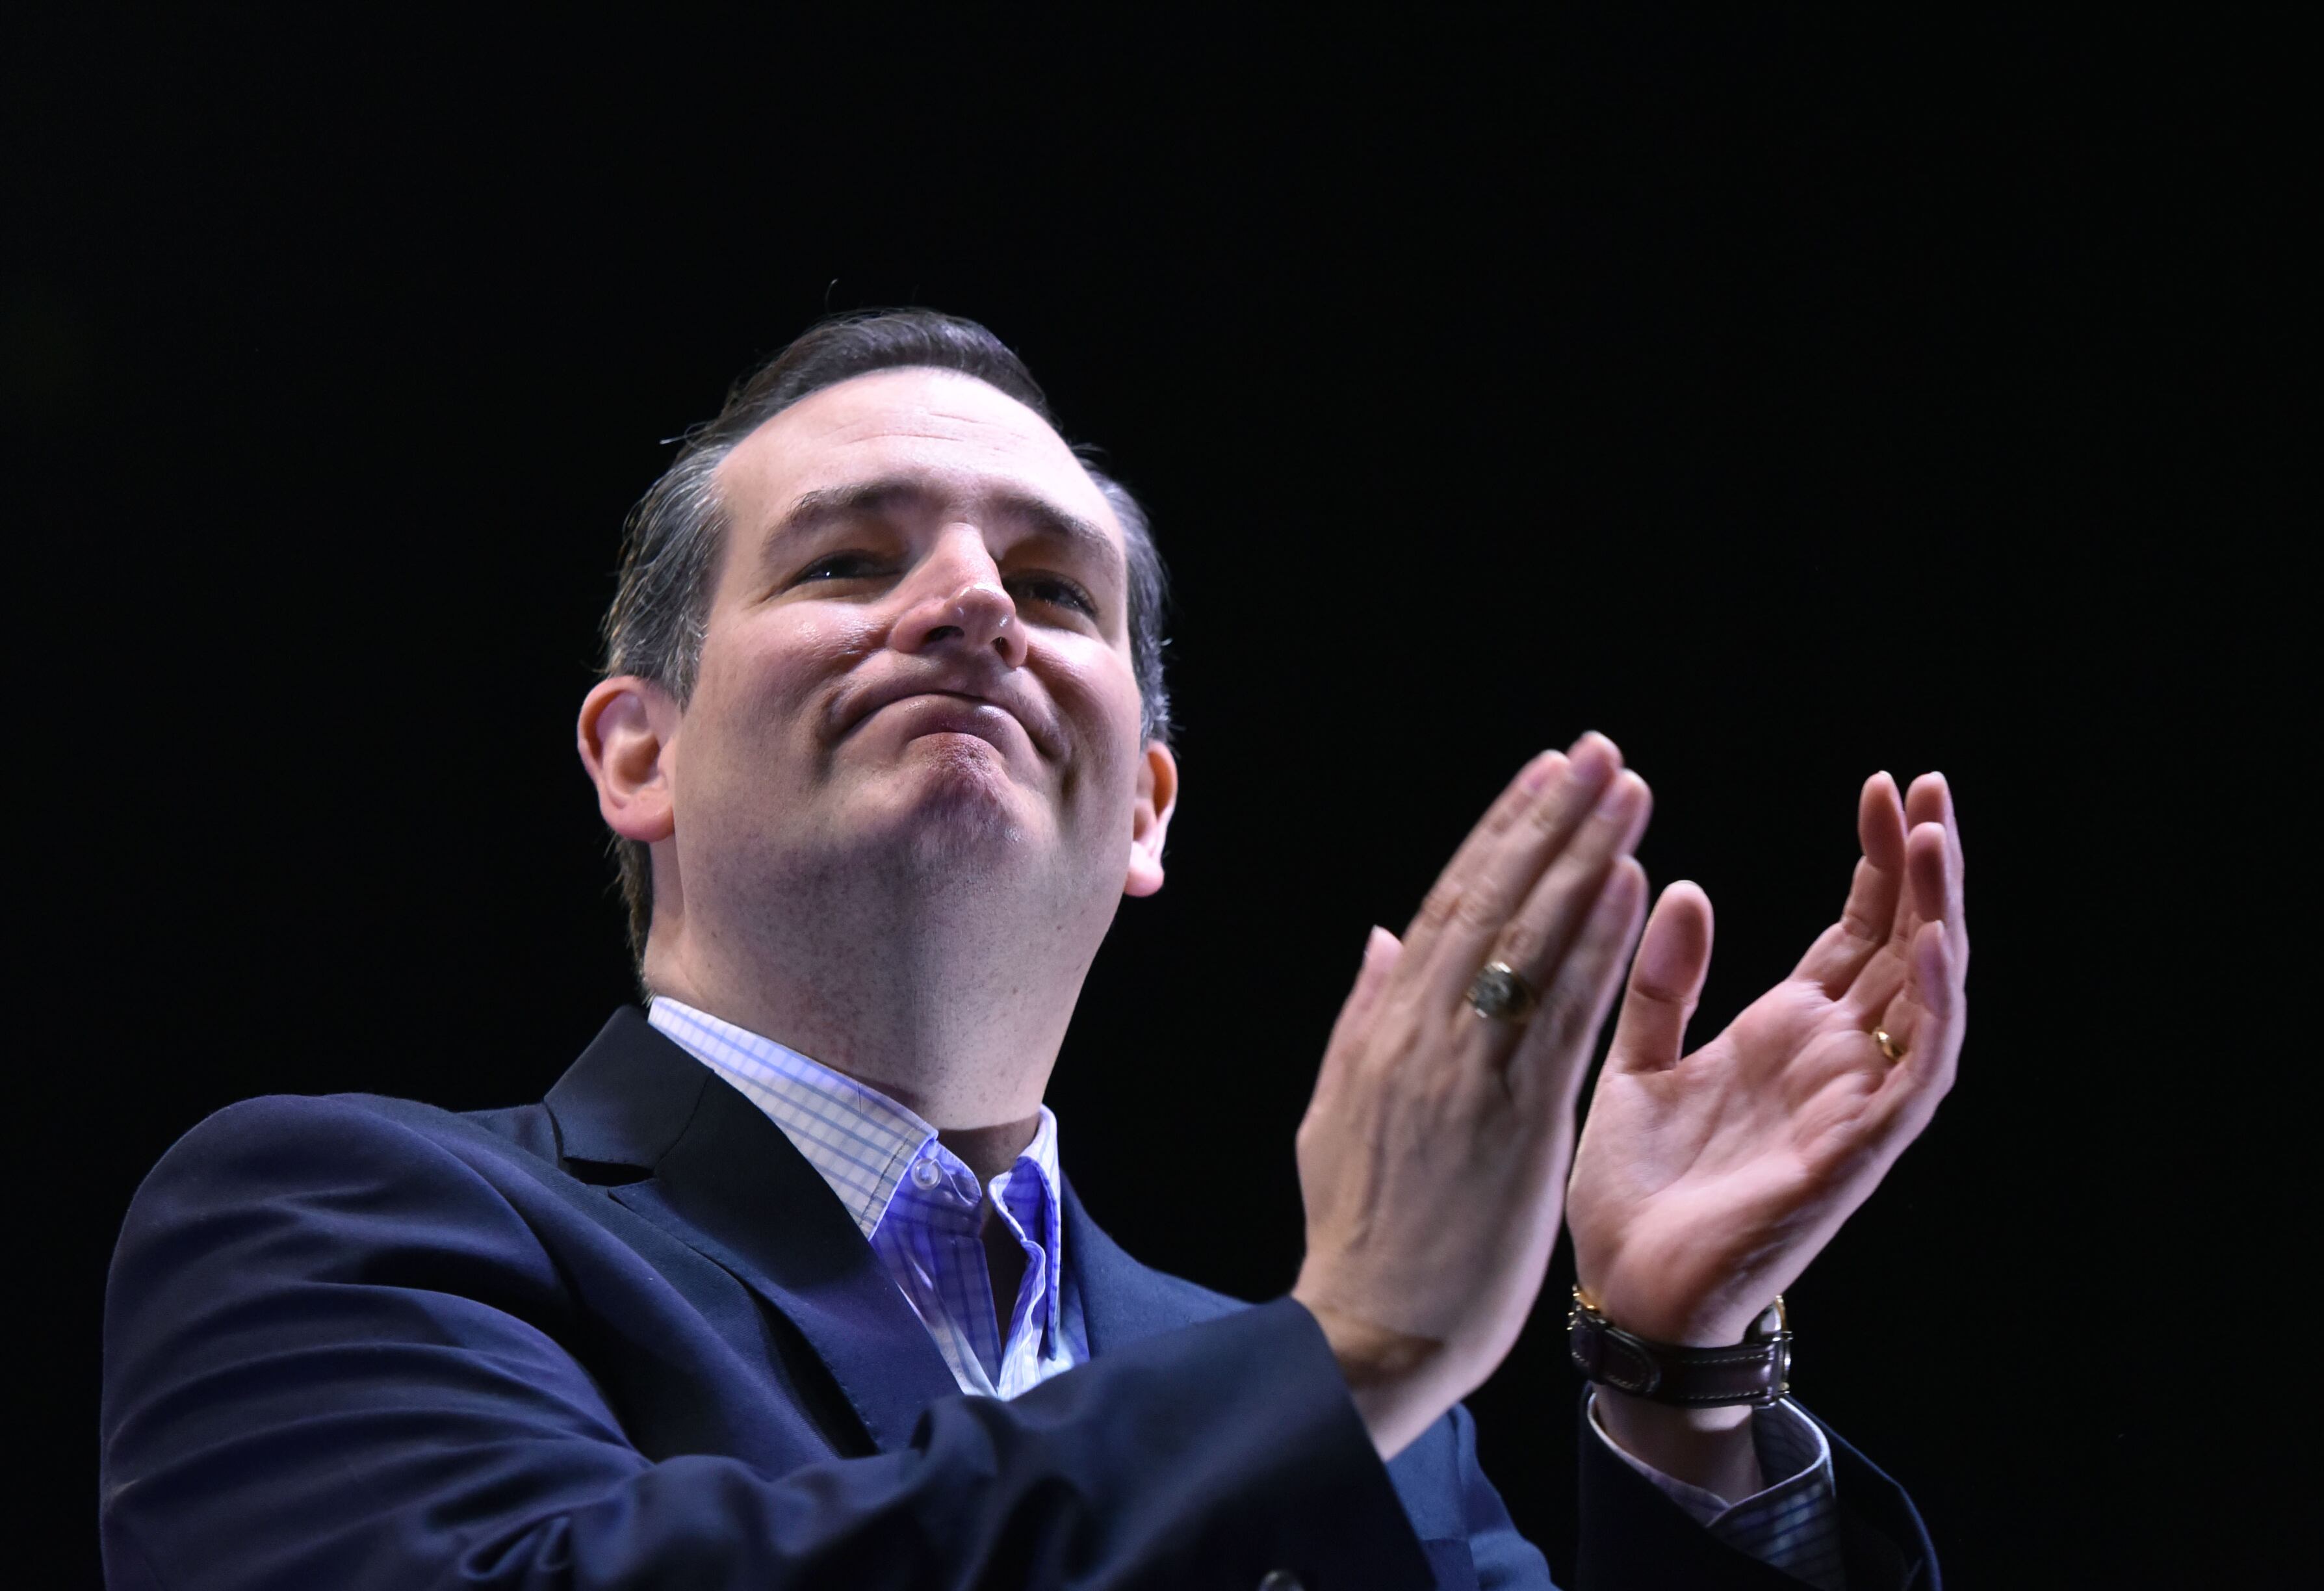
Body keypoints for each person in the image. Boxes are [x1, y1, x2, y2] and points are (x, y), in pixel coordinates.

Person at [99, 311, 1969, 1590]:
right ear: (637, 752)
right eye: (847, 562)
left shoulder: (1343, 1403)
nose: (975, 607)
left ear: (1146, 806)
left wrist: (1677, 1372)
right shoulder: (327, 1222)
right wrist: (1355, 1348)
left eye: (1054, 585)